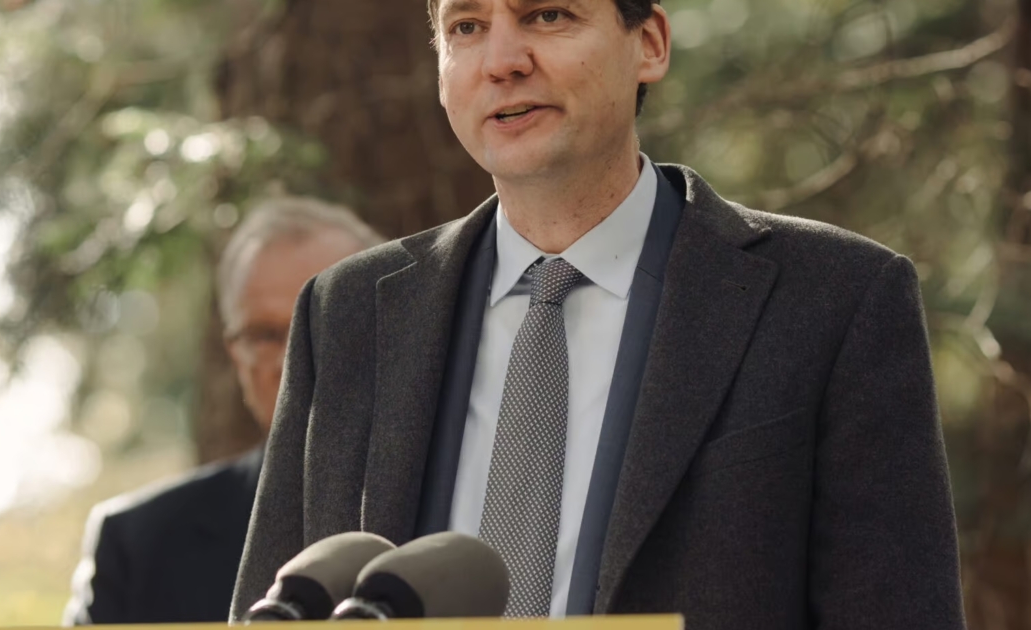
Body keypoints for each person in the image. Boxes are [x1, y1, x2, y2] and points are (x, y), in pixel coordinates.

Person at [229, 1, 966, 628]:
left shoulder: (836, 299)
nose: (502, 61)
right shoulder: (347, 313)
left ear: (649, 44)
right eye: (466, 27)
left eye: (547, 15)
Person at [62, 197, 381, 625]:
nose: (294, 358)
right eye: (266, 334)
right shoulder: (139, 547)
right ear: (235, 354)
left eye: (322, 323)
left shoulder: (457, 503)